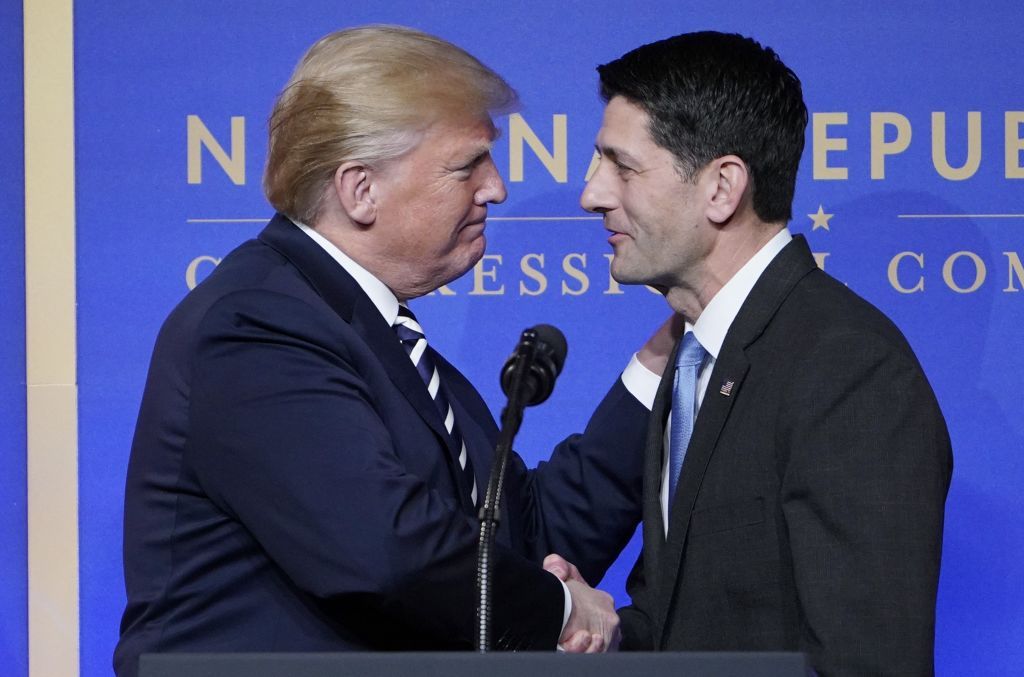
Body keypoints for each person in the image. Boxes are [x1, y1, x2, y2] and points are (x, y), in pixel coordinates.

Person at [114, 25, 672, 676]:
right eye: (469, 164)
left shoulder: (382, 339)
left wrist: (662, 364)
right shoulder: (253, 325)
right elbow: (384, 549)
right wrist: (560, 609)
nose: (495, 188)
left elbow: (521, 538)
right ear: (359, 190)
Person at [550, 31, 952, 675]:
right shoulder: (694, 360)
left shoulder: (848, 370)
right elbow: (695, 621)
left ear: (721, 187)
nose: (591, 194)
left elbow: (869, 661)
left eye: (621, 166)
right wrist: (606, 630)